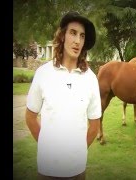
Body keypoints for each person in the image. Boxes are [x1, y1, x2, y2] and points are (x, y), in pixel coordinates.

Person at [25, 11, 101, 179]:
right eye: (73, 33)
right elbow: (30, 117)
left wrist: (77, 151)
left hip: (77, 171)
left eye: (82, 36)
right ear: (62, 36)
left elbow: (94, 125)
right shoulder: (43, 73)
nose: (77, 41)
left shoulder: (91, 79)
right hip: (47, 170)